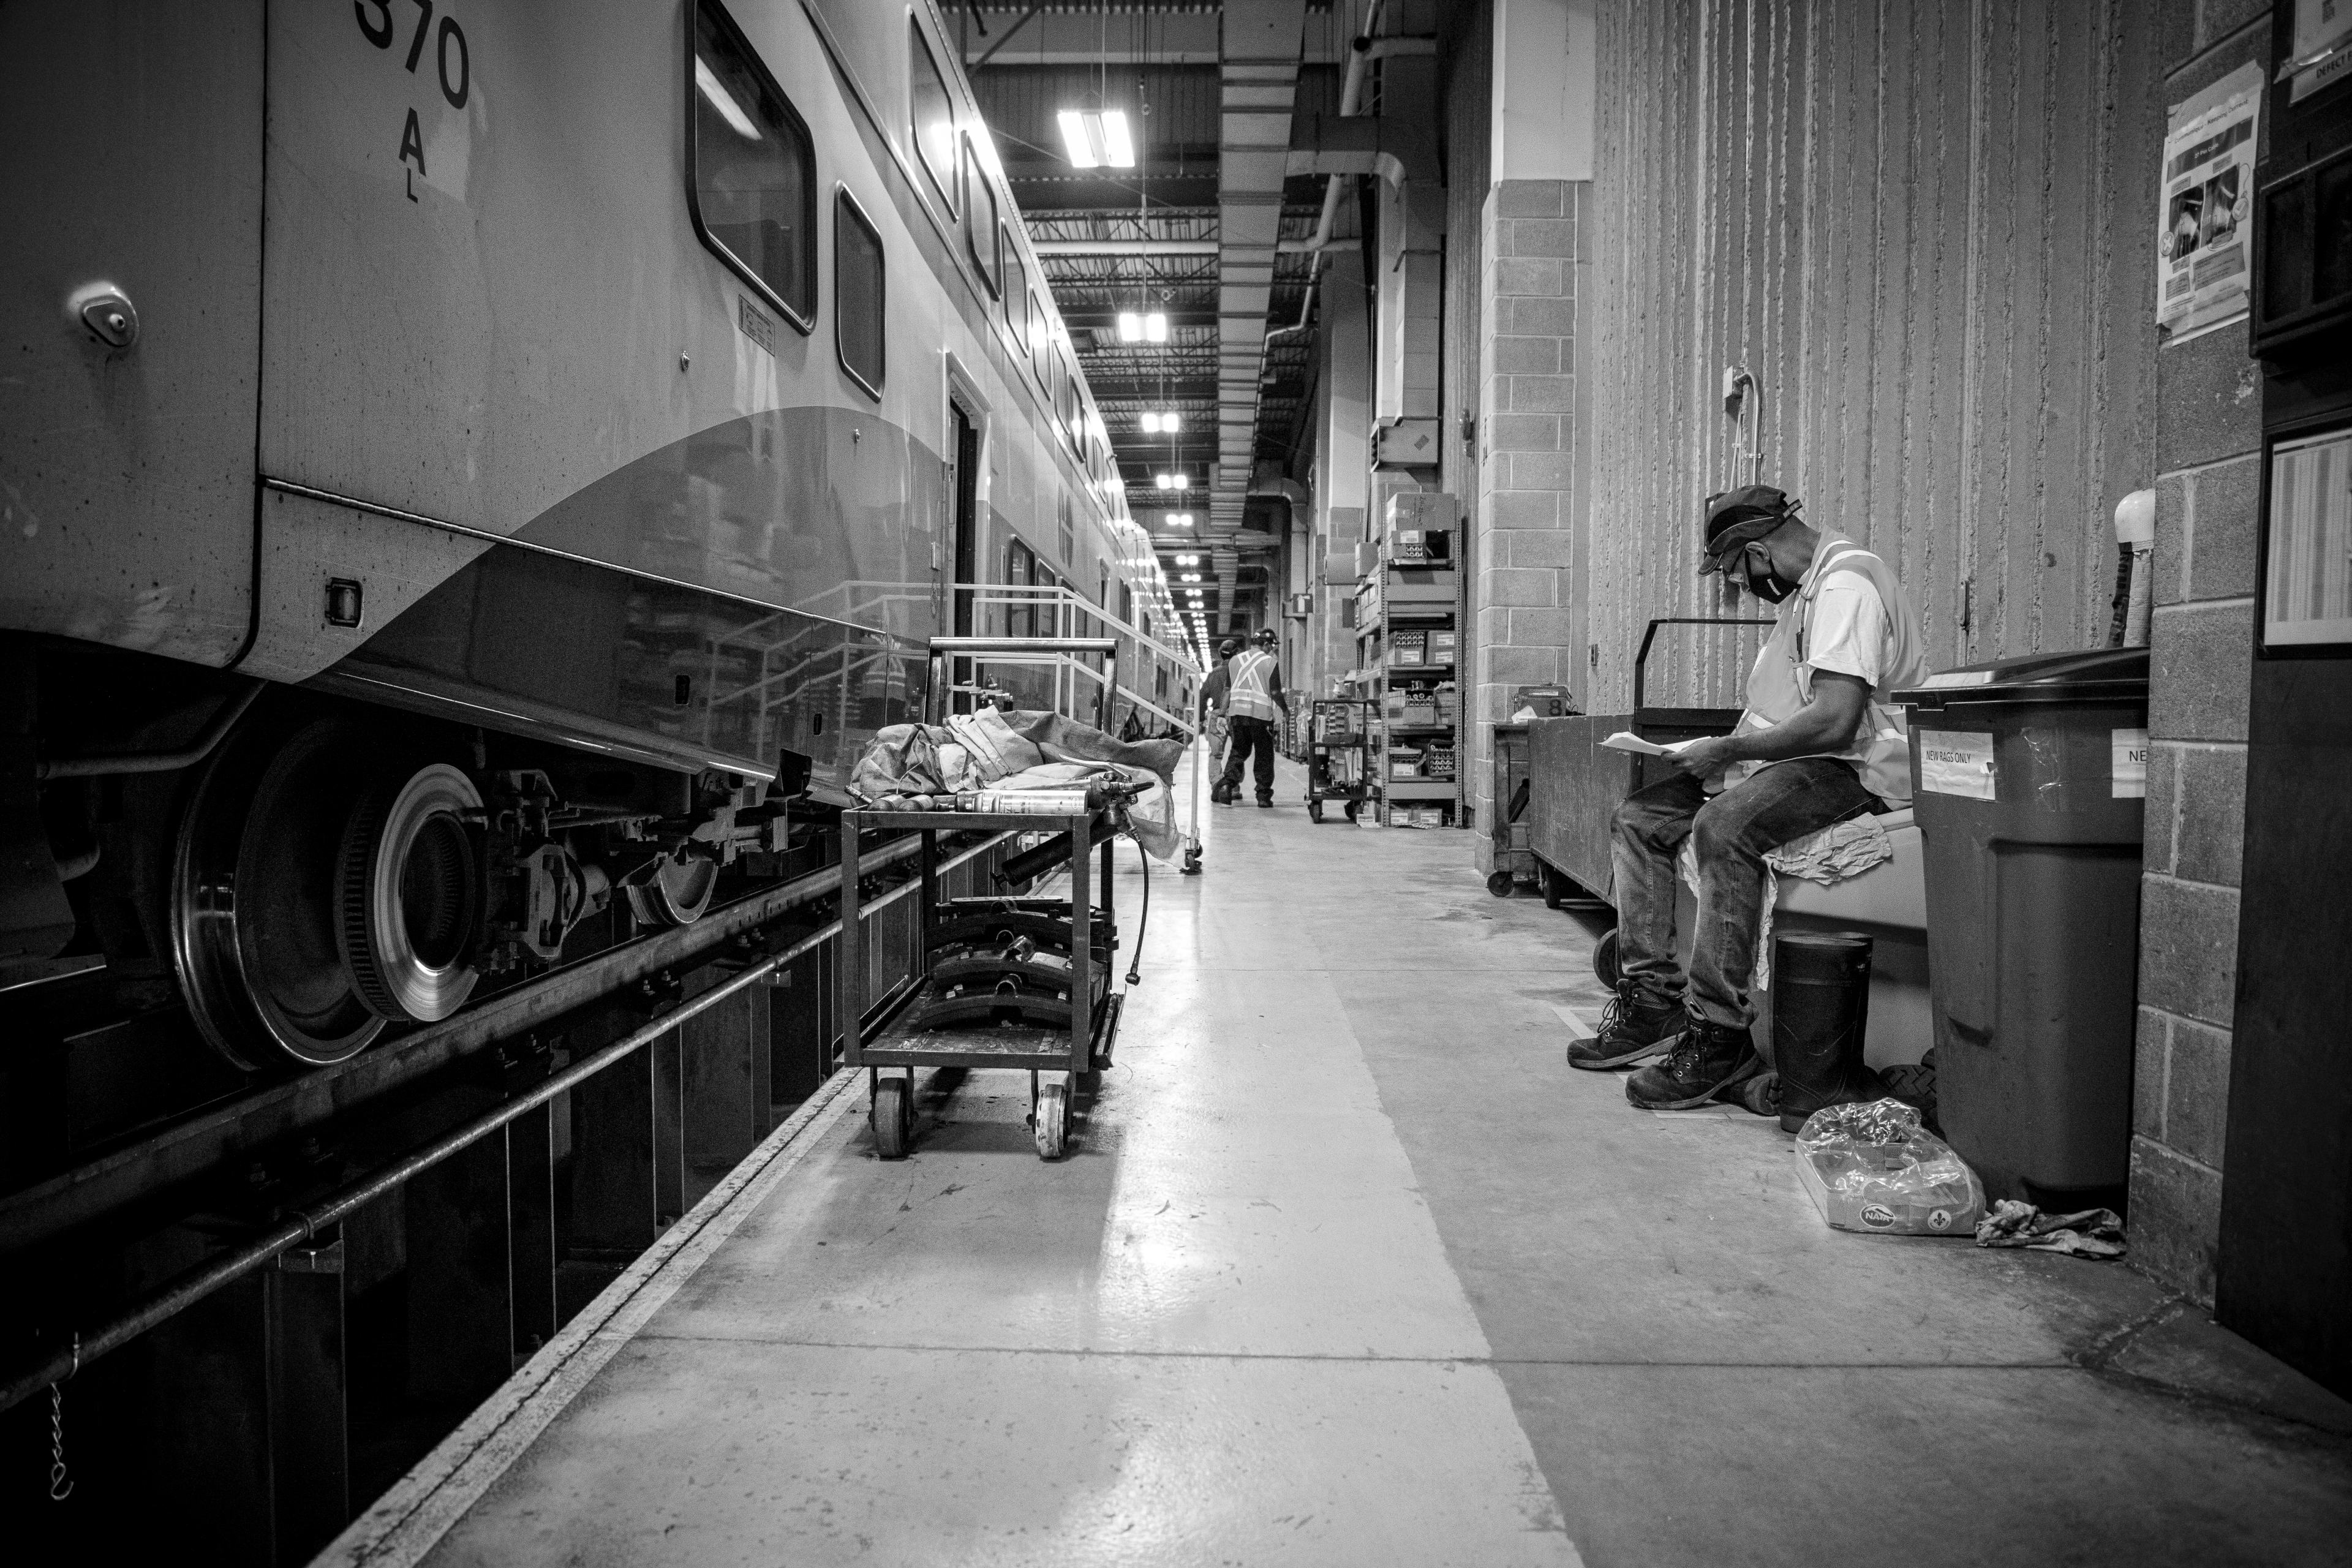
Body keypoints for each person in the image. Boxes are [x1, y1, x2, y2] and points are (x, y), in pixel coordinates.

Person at [1567, 485, 1925, 1112]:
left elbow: (1838, 721)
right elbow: (1784, 706)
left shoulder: (1845, 590)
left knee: (1723, 827)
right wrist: (1723, 752)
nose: (1740, 586)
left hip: (1858, 771)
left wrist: (1730, 758)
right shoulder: (1808, 592)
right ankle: (1653, 1002)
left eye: (1736, 573)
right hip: (1796, 759)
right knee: (1641, 819)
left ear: (1759, 550)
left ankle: (1719, 1034)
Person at [1214, 627, 1289, 807]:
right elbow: (1275, 691)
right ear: (1264, 644)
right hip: (1260, 715)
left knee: (1239, 751)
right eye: (1271, 646)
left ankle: (1227, 786)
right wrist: (1285, 710)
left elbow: (1227, 690)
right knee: (1264, 755)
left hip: (1237, 714)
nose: (1272, 650)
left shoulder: (1235, 660)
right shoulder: (1269, 661)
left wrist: (1222, 714)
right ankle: (1263, 796)